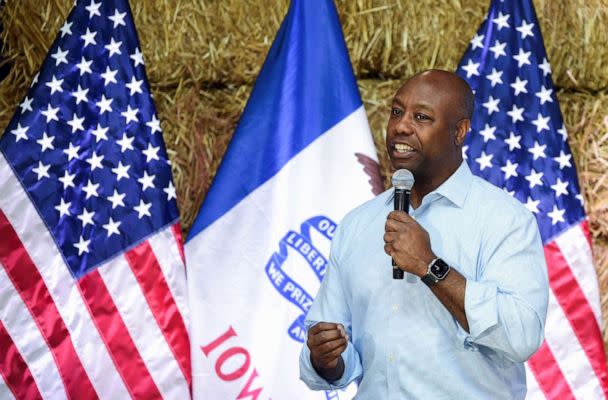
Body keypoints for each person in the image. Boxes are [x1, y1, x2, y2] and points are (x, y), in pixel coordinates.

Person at [299, 69, 549, 399]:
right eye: (397, 112)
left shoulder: (504, 220)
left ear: (459, 131)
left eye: (421, 117)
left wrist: (431, 267)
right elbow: (337, 351)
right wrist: (325, 358)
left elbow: (522, 336)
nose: (401, 126)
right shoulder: (357, 225)